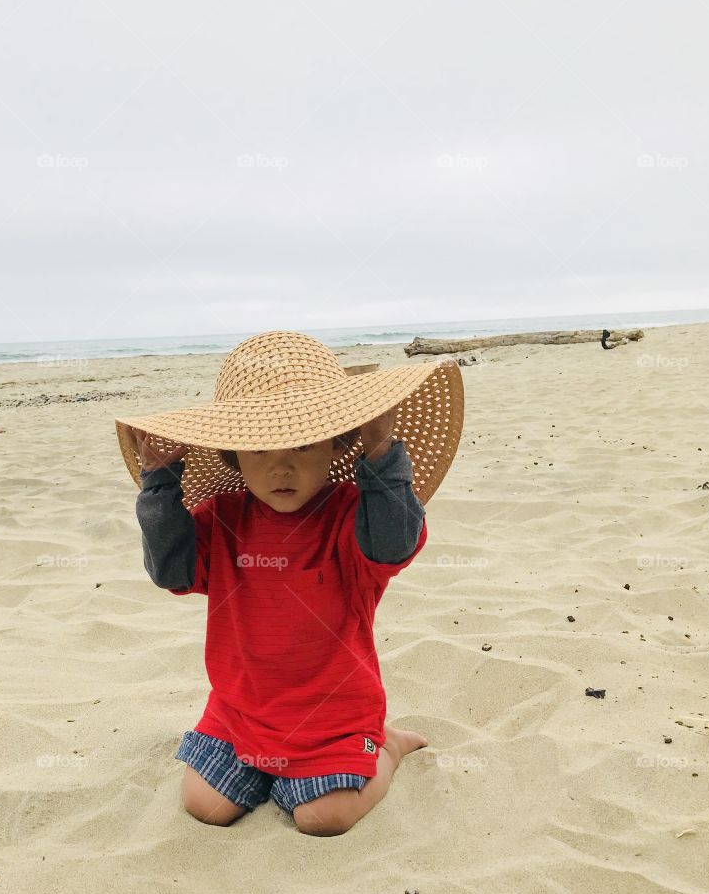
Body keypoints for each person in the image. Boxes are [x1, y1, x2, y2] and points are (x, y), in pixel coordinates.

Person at [115, 331, 464, 837]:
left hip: (332, 718)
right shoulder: (224, 519)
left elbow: (393, 543)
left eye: (303, 445)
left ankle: (386, 745)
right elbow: (171, 570)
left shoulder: (352, 515)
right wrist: (161, 484)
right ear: (233, 456)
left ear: (335, 445)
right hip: (242, 711)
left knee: (323, 818)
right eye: (260, 450)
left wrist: (381, 450)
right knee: (205, 805)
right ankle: (271, 771)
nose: (283, 466)